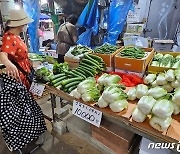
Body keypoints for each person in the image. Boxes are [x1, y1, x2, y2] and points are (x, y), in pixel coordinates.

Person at [0, 8, 33, 90]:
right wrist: (8, 63)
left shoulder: (16, 36)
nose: (26, 26)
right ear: (20, 25)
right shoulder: (9, 37)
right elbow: (3, 53)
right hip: (19, 73)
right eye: (25, 24)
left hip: (24, 71)